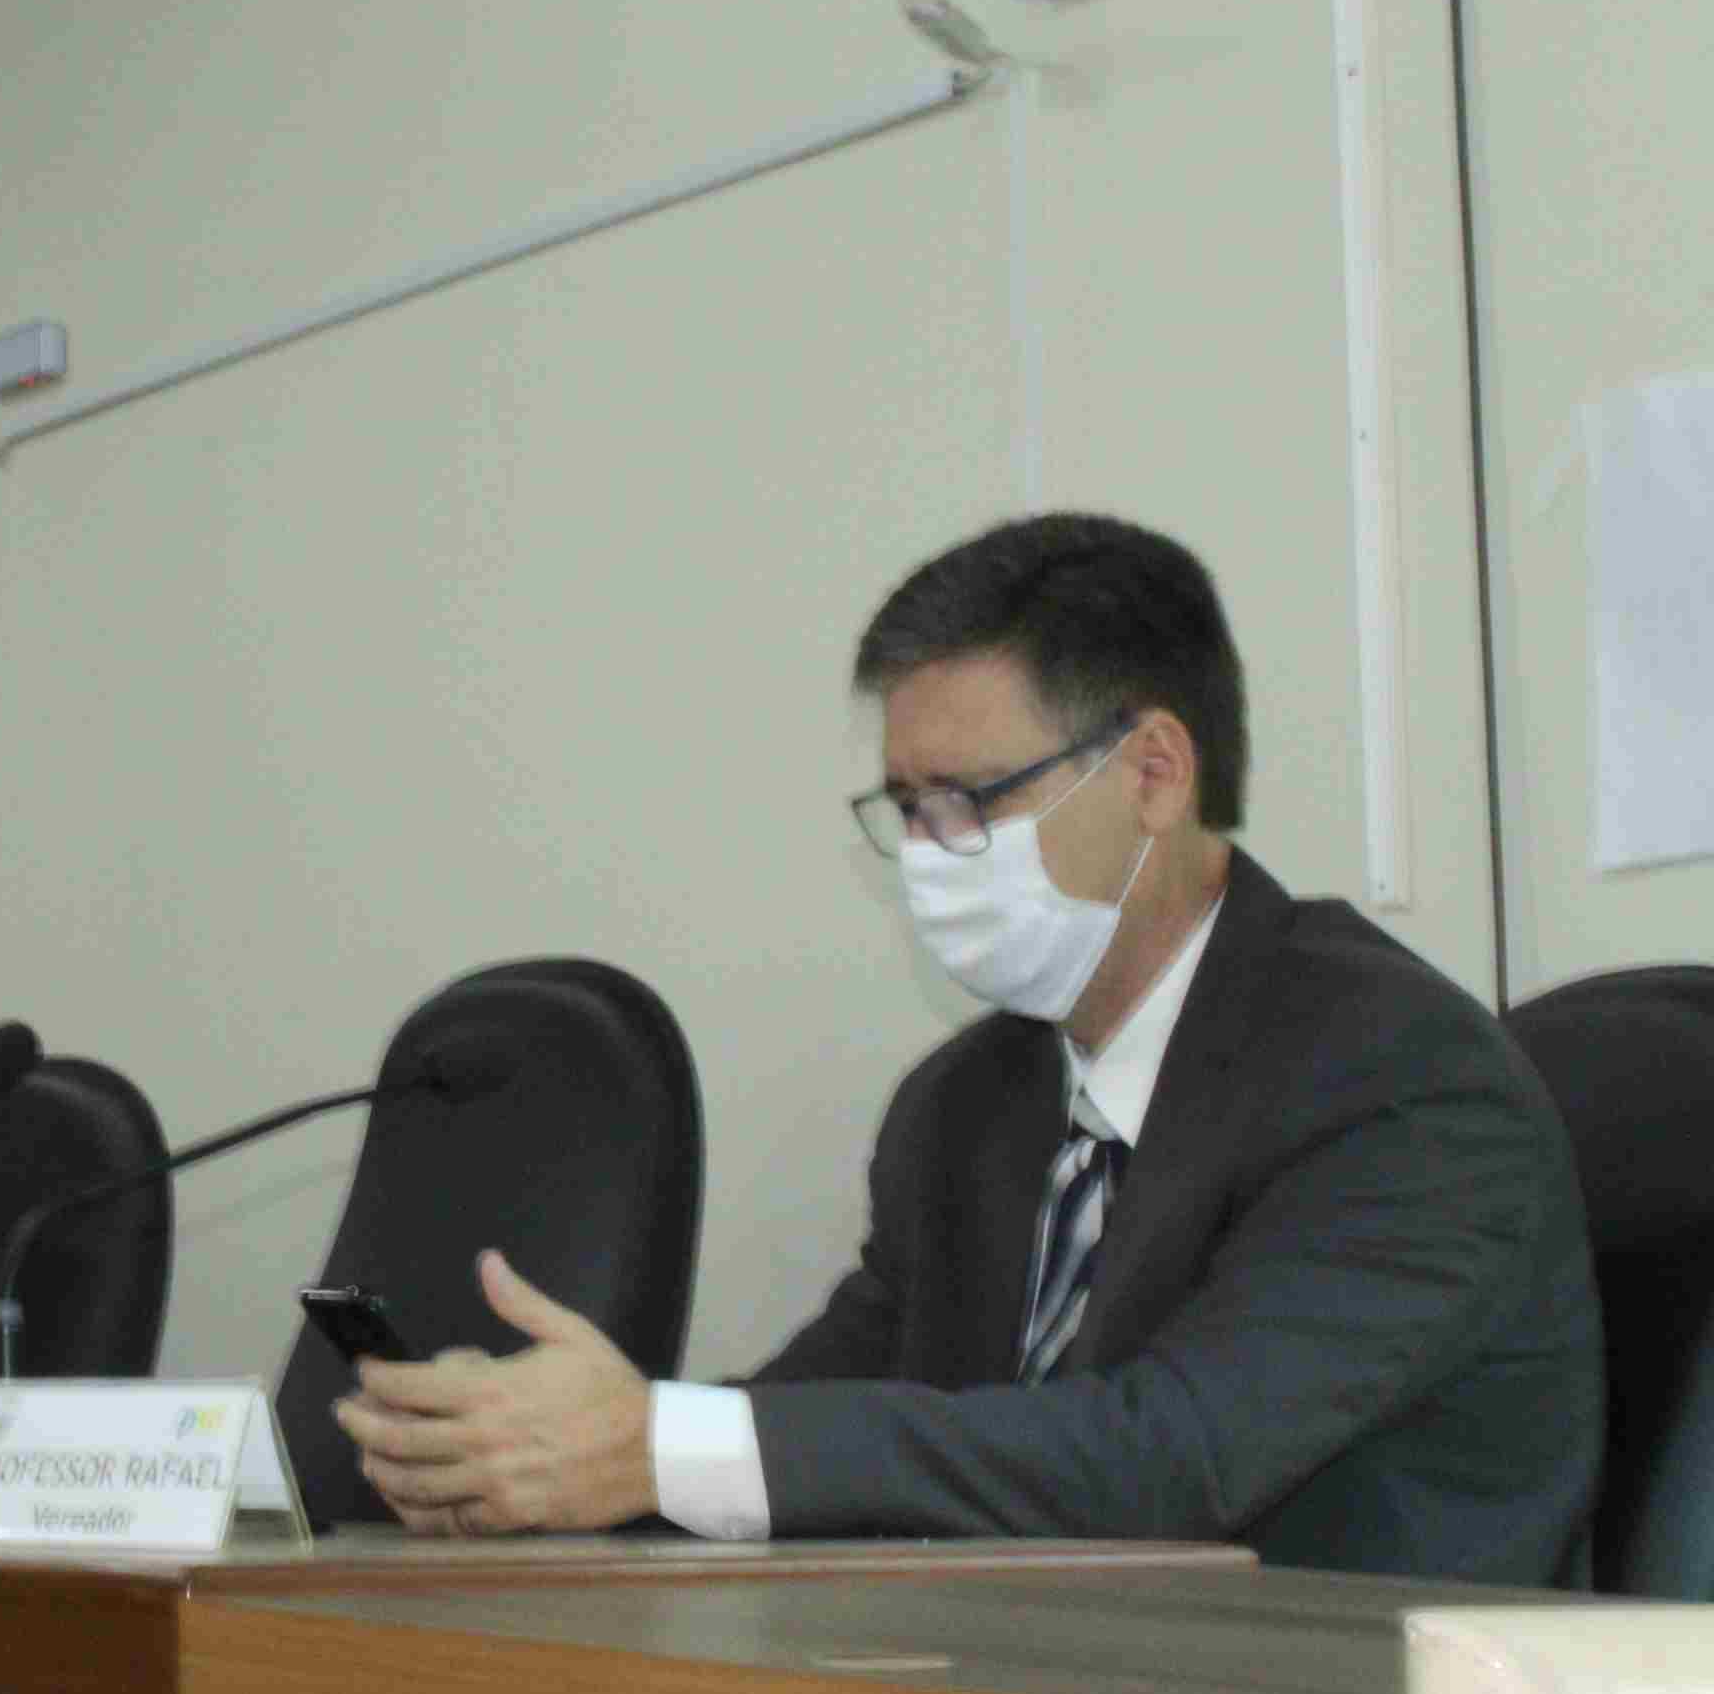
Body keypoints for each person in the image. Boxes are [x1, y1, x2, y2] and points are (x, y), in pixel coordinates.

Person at [335, 513, 1602, 1584]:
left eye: (968, 801)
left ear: (1154, 774)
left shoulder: (1402, 1082)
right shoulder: (965, 1105)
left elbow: (1172, 1461)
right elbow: (822, 1418)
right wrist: (547, 1449)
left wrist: (658, 1448)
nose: (930, 856)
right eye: (906, 810)